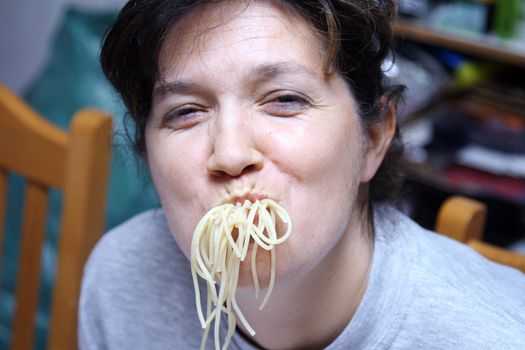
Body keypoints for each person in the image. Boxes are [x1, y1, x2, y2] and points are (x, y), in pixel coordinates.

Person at [79, 1, 525, 349]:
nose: (231, 154)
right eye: (186, 112)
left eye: (285, 99)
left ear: (373, 138)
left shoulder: (495, 336)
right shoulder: (120, 279)